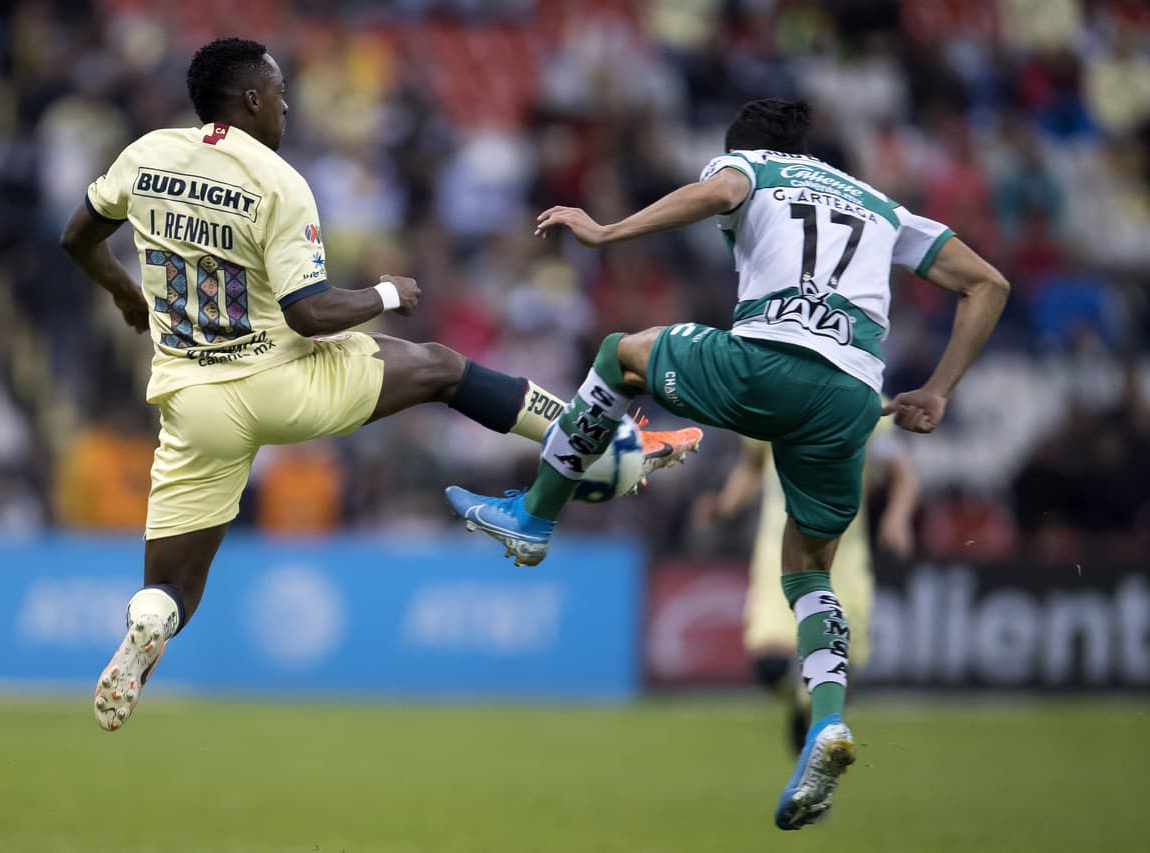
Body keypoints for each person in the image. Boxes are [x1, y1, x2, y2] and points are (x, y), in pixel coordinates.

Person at [59, 38, 702, 734]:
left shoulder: (146, 154)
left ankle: (145, 625)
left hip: (192, 403)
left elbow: (77, 237)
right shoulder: (278, 182)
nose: (285, 104)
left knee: (172, 585)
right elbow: (309, 314)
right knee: (439, 368)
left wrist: (127, 294)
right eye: (278, 93)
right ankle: (597, 441)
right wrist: (386, 291)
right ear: (249, 100)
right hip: (280, 381)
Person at [445, 99, 1009, 830]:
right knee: (808, 568)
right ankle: (826, 723)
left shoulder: (749, 164)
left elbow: (719, 193)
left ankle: (534, 516)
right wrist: (936, 389)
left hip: (766, 363)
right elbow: (988, 282)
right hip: (850, 401)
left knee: (621, 354)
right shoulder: (882, 205)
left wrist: (607, 230)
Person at [694, 421, 917, 756]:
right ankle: (806, 706)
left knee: (841, 677)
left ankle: (813, 771)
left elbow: (902, 474)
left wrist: (897, 516)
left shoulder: (868, 405)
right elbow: (753, 464)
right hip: (777, 559)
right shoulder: (770, 401)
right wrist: (726, 504)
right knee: (770, 667)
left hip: (844, 564)